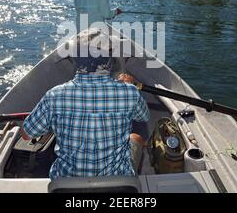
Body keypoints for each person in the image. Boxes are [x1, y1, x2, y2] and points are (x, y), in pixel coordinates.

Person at [21, 31, 149, 180]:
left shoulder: (54, 95)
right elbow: (144, 116)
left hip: (66, 185)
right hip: (117, 183)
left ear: (76, 60)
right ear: (109, 61)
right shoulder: (129, 92)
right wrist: (130, 86)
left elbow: (26, 134)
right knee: (136, 137)